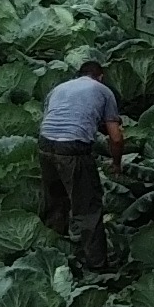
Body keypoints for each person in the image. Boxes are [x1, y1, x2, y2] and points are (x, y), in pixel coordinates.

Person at [36, 60, 123, 268]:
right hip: (73, 148)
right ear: (100, 77)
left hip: (45, 144)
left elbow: (52, 117)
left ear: (78, 74)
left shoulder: (59, 88)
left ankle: (53, 257)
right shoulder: (103, 91)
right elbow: (116, 137)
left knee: (55, 202)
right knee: (88, 208)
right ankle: (97, 265)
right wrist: (117, 163)